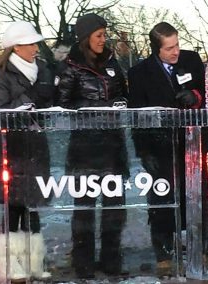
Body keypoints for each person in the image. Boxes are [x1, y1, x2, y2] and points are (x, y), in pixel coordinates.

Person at [127, 22, 208, 276]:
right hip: (161, 146)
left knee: (200, 196)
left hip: (195, 142)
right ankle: (163, 251)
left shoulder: (192, 60)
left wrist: (194, 96)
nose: (176, 52)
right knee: (162, 197)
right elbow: (137, 116)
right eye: (169, 48)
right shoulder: (139, 73)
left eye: (177, 44)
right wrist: (143, 152)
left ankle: (203, 248)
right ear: (156, 50)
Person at [56, 13, 129, 278]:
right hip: (85, 150)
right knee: (84, 210)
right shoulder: (71, 66)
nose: (103, 39)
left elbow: (123, 93)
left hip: (112, 146)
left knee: (114, 210)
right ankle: (83, 264)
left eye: (104, 34)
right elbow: (62, 105)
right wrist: (102, 107)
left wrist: (120, 102)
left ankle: (111, 261)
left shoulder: (112, 61)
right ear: (86, 38)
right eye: (99, 35)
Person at [0, 21, 56, 280]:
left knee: (33, 204)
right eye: (30, 43)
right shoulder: (0, 75)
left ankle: (35, 261)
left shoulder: (44, 71)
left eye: (36, 43)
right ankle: (10, 264)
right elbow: (1, 112)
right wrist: (33, 97)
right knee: (13, 206)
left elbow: (49, 105)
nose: (36, 48)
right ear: (16, 46)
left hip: (36, 146)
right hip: (10, 149)